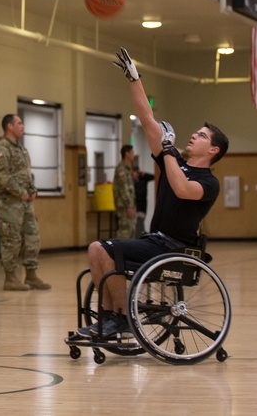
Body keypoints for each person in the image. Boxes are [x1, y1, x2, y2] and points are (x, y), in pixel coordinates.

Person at [74, 48, 228, 339]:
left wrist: (168, 150)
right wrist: (134, 78)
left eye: (202, 135)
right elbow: (147, 119)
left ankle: (119, 319)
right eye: (195, 132)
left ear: (213, 150)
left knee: (102, 249)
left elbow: (182, 188)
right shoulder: (176, 161)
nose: (194, 135)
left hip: (175, 249)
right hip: (154, 241)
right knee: (98, 250)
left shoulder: (209, 182)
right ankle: (111, 317)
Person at [0, 114, 51, 291]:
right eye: (19, 123)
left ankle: (31, 276)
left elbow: (26, 173)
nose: (22, 126)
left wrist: (32, 190)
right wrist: (21, 193)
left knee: (32, 237)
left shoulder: (22, 149)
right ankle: (10, 278)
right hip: (8, 203)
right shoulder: (1, 149)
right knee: (12, 239)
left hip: (25, 202)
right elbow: (2, 176)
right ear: (9, 126)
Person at [112, 145, 137, 238]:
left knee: (131, 230)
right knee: (125, 232)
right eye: (132, 152)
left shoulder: (127, 168)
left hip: (129, 205)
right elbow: (124, 189)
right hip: (124, 206)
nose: (134, 155)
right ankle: (120, 252)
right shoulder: (121, 169)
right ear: (127, 153)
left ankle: (128, 252)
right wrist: (129, 206)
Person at [133, 164, 154, 236]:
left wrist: (144, 174)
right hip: (135, 206)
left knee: (140, 222)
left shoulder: (143, 179)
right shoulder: (131, 182)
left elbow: (154, 176)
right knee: (138, 224)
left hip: (142, 205)